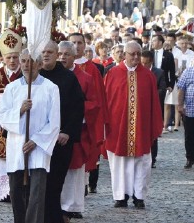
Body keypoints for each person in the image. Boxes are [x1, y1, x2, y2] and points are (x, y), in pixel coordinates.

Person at [0, 50, 60, 223]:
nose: (25, 64)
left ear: (39, 64)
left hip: (40, 146)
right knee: (16, 188)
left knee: (36, 190)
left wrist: (37, 141)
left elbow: (54, 121)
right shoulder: (12, 88)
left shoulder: (51, 88)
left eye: (30, 61)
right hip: (17, 144)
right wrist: (20, 111)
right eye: (23, 61)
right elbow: (2, 115)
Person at [103, 41, 163, 208]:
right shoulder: (113, 74)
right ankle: (121, 196)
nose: (136, 57)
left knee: (142, 161)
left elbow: (154, 104)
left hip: (141, 127)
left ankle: (139, 196)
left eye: (138, 54)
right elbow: (107, 100)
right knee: (119, 163)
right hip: (117, 127)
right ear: (124, 55)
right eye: (132, 54)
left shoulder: (148, 76)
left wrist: (154, 125)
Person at [38, 41, 84, 223]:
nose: (46, 55)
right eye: (43, 52)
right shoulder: (35, 77)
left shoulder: (68, 78)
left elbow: (77, 107)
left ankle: (52, 219)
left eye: (50, 52)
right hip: (38, 139)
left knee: (55, 180)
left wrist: (67, 131)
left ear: (57, 54)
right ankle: (34, 219)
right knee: (38, 180)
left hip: (60, 138)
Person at [57, 41, 99, 221]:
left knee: (75, 170)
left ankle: (73, 205)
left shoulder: (85, 78)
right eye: (60, 54)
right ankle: (58, 205)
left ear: (74, 57)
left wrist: (77, 111)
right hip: (55, 129)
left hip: (77, 130)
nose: (62, 57)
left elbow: (93, 103)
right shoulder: (52, 76)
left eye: (67, 54)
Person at [0, 29, 23, 202]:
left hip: (21, 122)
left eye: (15, 57)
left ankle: (17, 188)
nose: (13, 61)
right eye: (9, 58)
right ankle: (3, 191)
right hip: (0, 123)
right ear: (3, 57)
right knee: (0, 155)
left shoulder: (26, 72)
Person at [69, 33, 106, 195]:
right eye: (73, 43)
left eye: (79, 43)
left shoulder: (92, 68)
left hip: (85, 121)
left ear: (85, 45)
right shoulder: (61, 66)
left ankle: (83, 188)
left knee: (84, 155)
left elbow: (97, 98)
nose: (76, 46)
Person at [141, 51, 167, 168]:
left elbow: (162, 89)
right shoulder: (138, 72)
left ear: (151, 62)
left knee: (153, 132)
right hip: (141, 108)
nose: (143, 65)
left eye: (146, 63)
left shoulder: (159, 72)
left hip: (154, 107)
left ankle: (153, 157)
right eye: (142, 63)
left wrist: (149, 95)